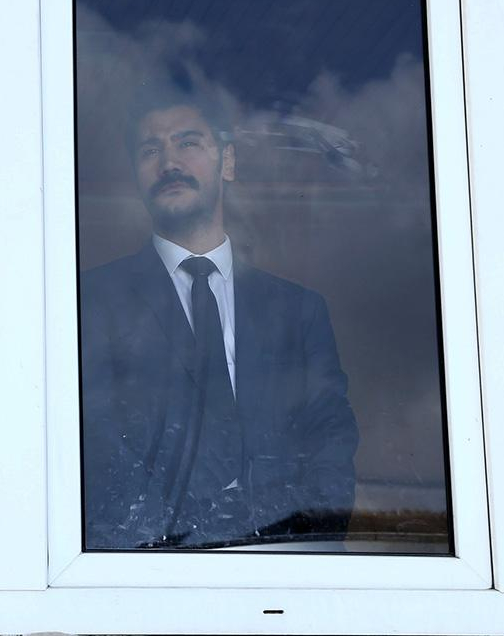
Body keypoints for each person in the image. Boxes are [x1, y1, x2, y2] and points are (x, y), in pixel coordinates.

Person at [80, 88, 358, 549]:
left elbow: (329, 437)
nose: (169, 162)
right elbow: (97, 444)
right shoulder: (89, 302)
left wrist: (300, 541)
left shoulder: (298, 311)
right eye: (150, 150)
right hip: (148, 566)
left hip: (287, 561)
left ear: (227, 162)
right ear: (135, 176)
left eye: (188, 142)